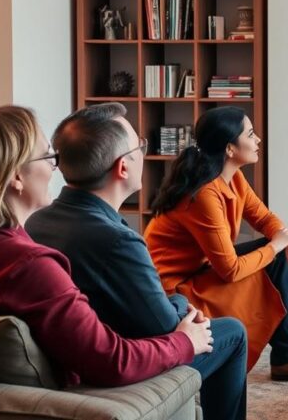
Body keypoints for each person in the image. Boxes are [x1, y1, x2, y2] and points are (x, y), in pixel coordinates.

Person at [0, 106, 213, 387]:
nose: (56, 167)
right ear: (16, 176)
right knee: (230, 335)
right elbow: (112, 360)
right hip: (58, 404)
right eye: (47, 157)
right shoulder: (30, 267)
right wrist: (184, 341)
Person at [26, 103, 247, 420]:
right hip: (120, 364)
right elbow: (164, 326)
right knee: (232, 333)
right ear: (123, 168)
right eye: (140, 146)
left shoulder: (36, 221)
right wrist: (181, 304)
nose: (143, 152)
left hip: (79, 354)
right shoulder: (117, 240)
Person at [145, 106, 288, 380]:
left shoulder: (232, 177)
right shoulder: (204, 194)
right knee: (272, 254)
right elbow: (230, 270)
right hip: (175, 289)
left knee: (273, 251)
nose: (258, 139)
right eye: (250, 134)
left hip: (201, 268)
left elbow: (263, 217)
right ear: (229, 149)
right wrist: (276, 246)